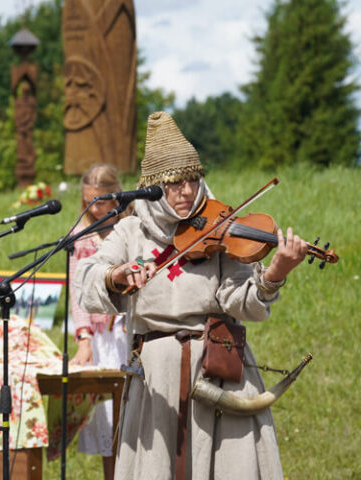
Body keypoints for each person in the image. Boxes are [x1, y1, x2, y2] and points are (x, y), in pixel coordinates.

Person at [75, 112, 308, 480]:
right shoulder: (130, 231)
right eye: (174, 183)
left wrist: (275, 272)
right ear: (153, 186)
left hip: (217, 369)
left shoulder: (220, 226)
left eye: (193, 180)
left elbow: (241, 302)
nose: (186, 192)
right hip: (156, 377)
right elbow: (86, 278)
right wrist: (116, 276)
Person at [68, 163, 131, 480]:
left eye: (101, 201)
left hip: (130, 331)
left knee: (136, 416)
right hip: (102, 338)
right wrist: (84, 339)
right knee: (109, 419)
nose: (94, 209)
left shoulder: (130, 227)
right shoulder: (79, 236)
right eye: (89, 201)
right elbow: (77, 293)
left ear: (115, 196)